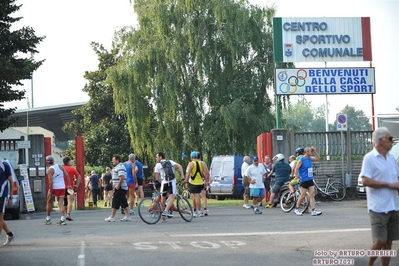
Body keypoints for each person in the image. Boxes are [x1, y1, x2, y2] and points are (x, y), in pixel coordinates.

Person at [359, 127, 399, 266]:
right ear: (381, 141)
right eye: (390, 139)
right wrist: (388, 184)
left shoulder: (391, 158)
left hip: (393, 205)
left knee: (388, 242)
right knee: (380, 241)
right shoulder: (369, 158)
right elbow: (365, 181)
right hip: (378, 207)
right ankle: (369, 264)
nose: (392, 141)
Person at [154, 151, 184, 218]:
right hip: (172, 181)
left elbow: (156, 174)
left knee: (163, 196)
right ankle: (166, 211)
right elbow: (179, 166)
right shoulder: (170, 161)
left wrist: (160, 181)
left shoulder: (158, 165)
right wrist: (182, 176)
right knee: (172, 196)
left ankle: (163, 212)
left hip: (164, 182)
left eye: (157, 157)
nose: (156, 158)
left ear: (160, 157)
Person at [294, 146, 322, 216]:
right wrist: (297, 178)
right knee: (303, 195)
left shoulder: (309, 158)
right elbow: (296, 169)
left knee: (312, 194)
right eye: (310, 151)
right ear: (306, 152)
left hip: (310, 179)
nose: (311, 152)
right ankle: (297, 208)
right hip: (304, 179)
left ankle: (313, 210)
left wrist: (315, 151)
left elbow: (318, 158)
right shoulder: (301, 160)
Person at [45, 155, 71, 225]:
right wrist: (69, 185)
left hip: (54, 187)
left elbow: (50, 182)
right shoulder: (60, 166)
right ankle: (62, 219)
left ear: (47, 162)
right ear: (53, 160)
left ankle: (48, 218)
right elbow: (67, 175)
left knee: (49, 202)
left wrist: (51, 191)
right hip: (62, 187)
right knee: (60, 203)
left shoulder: (50, 170)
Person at [105, 154, 131, 222]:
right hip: (120, 187)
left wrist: (118, 186)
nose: (112, 161)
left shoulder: (120, 167)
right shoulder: (117, 167)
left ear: (117, 160)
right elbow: (117, 176)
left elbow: (121, 177)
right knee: (123, 202)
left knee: (115, 201)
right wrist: (112, 181)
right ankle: (127, 216)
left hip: (120, 187)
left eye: (113, 160)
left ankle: (112, 216)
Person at [185, 151, 209, 217]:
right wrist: (207, 181)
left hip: (193, 182)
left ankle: (198, 210)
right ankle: (200, 210)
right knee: (200, 196)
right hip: (200, 182)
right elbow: (207, 172)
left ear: (191, 157)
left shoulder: (191, 164)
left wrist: (186, 181)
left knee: (196, 196)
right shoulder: (202, 163)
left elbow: (188, 173)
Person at [0, 160, 16, 246]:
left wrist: (11, 197)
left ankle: (10, 235)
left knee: (0, 218)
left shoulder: (4, 165)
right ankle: (10, 235)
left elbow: (11, 181)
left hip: (1, 195)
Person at [62, 157, 82, 221]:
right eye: (70, 161)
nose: (71, 162)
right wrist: (77, 185)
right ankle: (68, 214)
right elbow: (79, 176)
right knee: (70, 201)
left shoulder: (61, 169)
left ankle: (65, 214)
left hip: (62, 187)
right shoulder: (72, 169)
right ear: (68, 162)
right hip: (70, 187)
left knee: (64, 202)